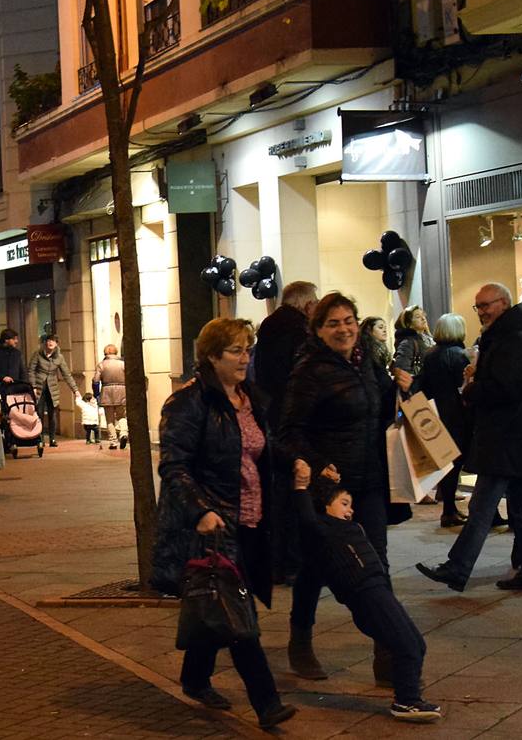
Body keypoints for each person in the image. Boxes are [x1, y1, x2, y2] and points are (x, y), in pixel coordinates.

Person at [151, 317, 295, 728]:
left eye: (248, 350)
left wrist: (303, 463)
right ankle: (267, 704)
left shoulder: (250, 399)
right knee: (240, 617)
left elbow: (265, 448)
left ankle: (195, 677)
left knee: (218, 601)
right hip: (214, 525)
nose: (244, 359)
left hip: (251, 519)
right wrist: (200, 510)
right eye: (235, 350)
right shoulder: (188, 403)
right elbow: (174, 466)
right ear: (211, 356)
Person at [279, 292, 395, 682]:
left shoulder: (365, 364)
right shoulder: (309, 370)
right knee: (317, 567)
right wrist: (322, 477)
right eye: (333, 323)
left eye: (348, 320)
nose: (343, 329)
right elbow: (290, 432)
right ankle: (300, 638)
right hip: (329, 488)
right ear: (318, 330)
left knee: (378, 565)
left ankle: (388, 651)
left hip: (370, 481)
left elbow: (376, 410)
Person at [417, 283, 522, 593]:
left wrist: (472, 388)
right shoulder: (513, 337)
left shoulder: (512, 340)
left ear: (503, 303)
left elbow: (506, 389)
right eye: (477, 307)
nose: (481, 312)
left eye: (486, 305)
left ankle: (458, 567)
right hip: (515, 439)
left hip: (506, 438)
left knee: (482, 507)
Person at [292, 463, 442, 722]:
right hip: (364, 595)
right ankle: (406, 701)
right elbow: (305, 517)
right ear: (325, 507)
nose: (350, 510)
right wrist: (301, 487)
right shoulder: (321, 530)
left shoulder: (349, 527)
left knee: (416, 643)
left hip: (378, 589)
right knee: (405, 645)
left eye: (351, 505)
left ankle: (409, 695)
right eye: (344, 503)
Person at [253, 279, 318, 586]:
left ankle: (276, 560)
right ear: (306, 304)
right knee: (297, 489)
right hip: (295, 419)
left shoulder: (268, 326)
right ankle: (294, 560)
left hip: (272, 416)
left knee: (277, 490)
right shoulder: (301, 331)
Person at [416, 314, 472, 527]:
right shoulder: (459, 355)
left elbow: (425, 386)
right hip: (459, 415)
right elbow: (464, 386)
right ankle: (450, 510)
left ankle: (448, 508)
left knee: (447, 463)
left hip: (437, 413)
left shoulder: (431, 355)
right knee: (457, 463)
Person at [253, 281, 318, 431]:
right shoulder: (299, 328)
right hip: (292, 403)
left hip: (270, 400)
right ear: (306, 304)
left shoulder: (270, 322)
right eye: (315, 302)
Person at [29, 335, 79, 447]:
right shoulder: (38, 354)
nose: (50, 343)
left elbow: (67, 374)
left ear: (56, 344)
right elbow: (31, 371)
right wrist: (33, 386)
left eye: (53, 341)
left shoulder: (59, 357)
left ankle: (52, 439)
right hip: (39, 387)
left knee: (52, 414)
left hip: (52, 387)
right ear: (45, 342)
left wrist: (75, 390)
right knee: (39, 413)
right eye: (48, 340)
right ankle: (40, 438)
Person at [391, 306, 433, 390]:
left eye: (423, 315)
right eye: (418, 317)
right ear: (408, 324)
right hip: (418, 390)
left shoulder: (429, 339)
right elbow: (402, 370)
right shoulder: (408, 343)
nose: (423, 318)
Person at [95, 344, 127, 449]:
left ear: (105, 353)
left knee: (109, 420)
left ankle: (113, 442)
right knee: (122, 416)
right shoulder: (123, 364)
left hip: (107, 393)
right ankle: (123, 433)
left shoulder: (101, 365)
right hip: (122, 391)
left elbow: (95, 381)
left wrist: (96, 394)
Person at [0, 328, 27, 394]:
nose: (16, 341)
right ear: (6, 340)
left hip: (16, 388)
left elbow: (22, 371)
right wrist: (3, 377)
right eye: (14, 339)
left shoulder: (17, 353)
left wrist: (24, 385)